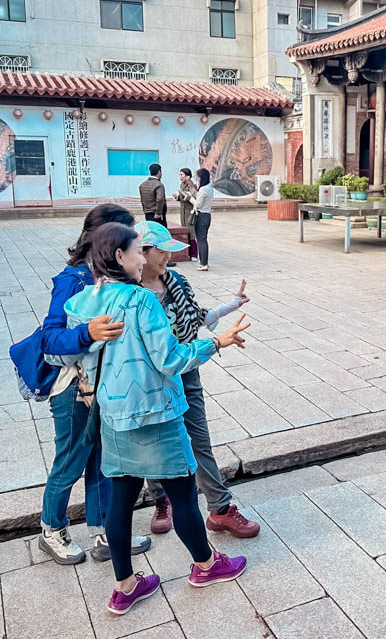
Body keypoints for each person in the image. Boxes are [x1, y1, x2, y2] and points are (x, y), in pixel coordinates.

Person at [64, 222, 250, 614]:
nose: (140, 260)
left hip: (113, 416)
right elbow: (171, 360)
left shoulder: (84, 302)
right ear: (120, 256)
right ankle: (205, 565)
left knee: (122, 499)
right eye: (135, 252)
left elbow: (71, 354)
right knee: (183, 495)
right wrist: (217, 341)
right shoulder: (141, 300)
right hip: (156, 414)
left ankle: (125, 586)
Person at [36, 203, 152, 565]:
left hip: (102, 385)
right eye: (129, 241)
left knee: (103, 460)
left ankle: (106, 532)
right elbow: (50, 340)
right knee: (71, 459)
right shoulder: (74, 279)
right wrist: (86, 333)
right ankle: (51, 529)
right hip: (72, 387)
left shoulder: (116, 278)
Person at [135, 221, 259, 539]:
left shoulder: (177, 281)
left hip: (186, 370)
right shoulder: (129, 292)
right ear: (142, 253)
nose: (166, 258)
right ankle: (161, 502)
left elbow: (196, 318)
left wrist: (231, 305)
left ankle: (219, 510)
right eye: (160, 251)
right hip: (150, 379)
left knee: (199, 442)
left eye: (169, 251)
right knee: (154, 443)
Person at [172, 167, 199, 261]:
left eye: (182, 174)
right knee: (184, 232)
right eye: (179, 174)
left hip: (190, 212)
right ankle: (187, 253)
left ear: (188, 176)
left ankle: (194, 254)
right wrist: (177, 197)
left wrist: (183, 193)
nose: (180, 176)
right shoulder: (182, 184)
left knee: (191, 233)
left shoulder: (192, 185)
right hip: (183, 211)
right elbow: (182, 198)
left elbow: (194, 198)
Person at [191, 168, 214, 271]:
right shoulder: (210, 188)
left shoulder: (203, 189)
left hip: (201, 215)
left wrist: (190, 198)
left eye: (198, 177)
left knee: (201, 240)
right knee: (203, 239)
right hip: (207, 215)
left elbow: (198, 204)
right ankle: (204, 262)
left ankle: (203, 263)